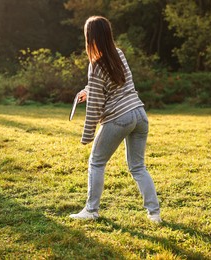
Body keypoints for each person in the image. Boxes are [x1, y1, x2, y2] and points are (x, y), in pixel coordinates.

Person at [69, 16, 161, 223]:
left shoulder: (95, 65)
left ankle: (91, 211)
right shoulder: (118, 54)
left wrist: (87, 135)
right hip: (139, 113)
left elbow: (94, 107)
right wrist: (87, 91)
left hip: (120, 117)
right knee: (138, 167)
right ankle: (154, 214)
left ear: (90, 37)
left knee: (96, 162)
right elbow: (115, 84)